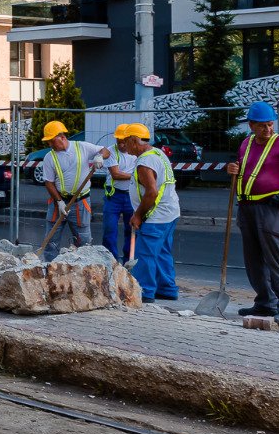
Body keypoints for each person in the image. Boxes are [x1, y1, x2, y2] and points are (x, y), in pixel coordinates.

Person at [226, 101, 279, 322]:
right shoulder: (246, 144)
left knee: (278, 259)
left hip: (272, 208)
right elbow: (244, 170)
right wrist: (232, 170)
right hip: (247, 207)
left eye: (270, 124)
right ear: (251, 125)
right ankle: (265, 303)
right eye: (263, 125)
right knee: (253, 260)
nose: (268, 129)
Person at [122, 123, 181, 301]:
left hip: (156, 216)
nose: (124, 145)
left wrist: (138, 215)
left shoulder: (144, 163)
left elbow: (151, 192)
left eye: (126, 141)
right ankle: (167, 288)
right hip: (169, 213)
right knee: (162, 252)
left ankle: (145, 291)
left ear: (134, 140)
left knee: (145, 254)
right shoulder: (157, 153)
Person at [38, 121, 106, 261]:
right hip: (58, 202)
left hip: (80, 202)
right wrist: (59, 201)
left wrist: (100, 156)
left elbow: (105, 150)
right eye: (48, 142)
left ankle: (84, 267)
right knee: (51, 240)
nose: (50, 144)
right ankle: (49, 267)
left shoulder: (82, 147)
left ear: (62, 137)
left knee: (84, 241)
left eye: (51, 141)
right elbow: (49, 182)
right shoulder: (50, 157)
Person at [100, 125, 138, 262]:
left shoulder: (136, 152)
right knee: (109, 230)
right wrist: (135, 176)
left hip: (131, 196)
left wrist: (134, 176)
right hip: (114, 196)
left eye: (124, 142)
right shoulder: (111, 151)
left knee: (131, 230)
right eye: (118, 141)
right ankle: (111, 261)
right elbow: (116, 174)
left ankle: (128, 261)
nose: (121, 145)